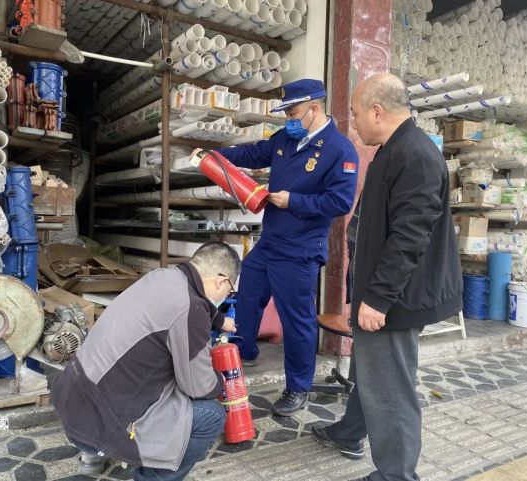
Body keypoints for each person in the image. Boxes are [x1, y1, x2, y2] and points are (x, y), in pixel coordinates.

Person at [311, 73, 463, 481]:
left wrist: (377, 298)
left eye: (357, 114)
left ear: (378, 112)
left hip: (396, 296)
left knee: (391, 387)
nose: (355, 124)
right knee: (369, 370)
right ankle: (350, 431)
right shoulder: (394, 148)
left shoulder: (414, 155)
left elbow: (410, 237)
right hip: (379, 290)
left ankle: (396, 474)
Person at [208, 78, 359, 416]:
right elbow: (251, 153)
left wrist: (294, 200)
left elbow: (339, 201)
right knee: (248, 296)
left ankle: (298, 388)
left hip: (301, 247)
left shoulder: (339, 149)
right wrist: (216, 155)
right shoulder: (286, 140)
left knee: (297, 321)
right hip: (271, 240)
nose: (287, 119)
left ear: (313, 109)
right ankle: (243, 349)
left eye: (292, 112)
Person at [50, 242, 241, 480]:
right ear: (222, 281)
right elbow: (197, 387)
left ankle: (92, 452)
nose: (226, 296)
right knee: (211, 414)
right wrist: (223, 382)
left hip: (73, 400)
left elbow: (191, 305)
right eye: (230, 291)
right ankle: (151, 476)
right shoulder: (190, 309)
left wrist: (218, 321)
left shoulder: (163, 277)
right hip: (105, 419)